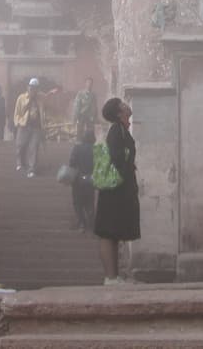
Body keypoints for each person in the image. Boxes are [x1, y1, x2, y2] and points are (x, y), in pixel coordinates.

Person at [94, 97, 139, 285]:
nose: (126, 104)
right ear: (119, 111)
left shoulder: (121, 129)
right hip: (114, 189)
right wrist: (128, 167)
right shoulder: (116, 131)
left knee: (113, 232)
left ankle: (113, 276)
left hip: (117, 188)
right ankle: (110, 277)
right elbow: (117, 156)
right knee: (108, 232)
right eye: (122, 104)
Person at [13, 77, 57, 177]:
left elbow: (46, 97)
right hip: (24, 125)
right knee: (21, 145)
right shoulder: (21, 98)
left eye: (35, 88)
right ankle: (20, 163)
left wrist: (50, 93)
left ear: (38, 89)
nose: (33, 90)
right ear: (28, 87)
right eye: (31, 88)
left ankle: (31, 169)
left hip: (36, 127)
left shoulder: (40, 97)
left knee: (34, 147)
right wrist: (18, 123)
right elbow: (17, 112)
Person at [68, 129, 96, 232]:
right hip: (90, 180)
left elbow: (71, 163)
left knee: (77, 202)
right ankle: (91, 224)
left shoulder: (77, 148)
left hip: (78, 180)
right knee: (90, 202)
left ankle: (82, 224)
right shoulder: (95, 149)